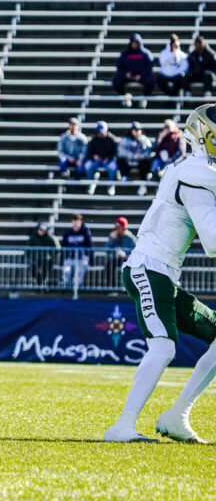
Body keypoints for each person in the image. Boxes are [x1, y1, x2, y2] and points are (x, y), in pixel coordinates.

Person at [104, 104, 216, 443]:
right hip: (148, 268)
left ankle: (176, 415)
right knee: (164, 347)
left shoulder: (194, 168)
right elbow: (212, 242)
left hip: (164, 275)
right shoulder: (196, 170)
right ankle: (121, 426)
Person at [113, 33, 155, 108]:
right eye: (133, 42)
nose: (134, 44)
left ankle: (144, 98)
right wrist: (126, 74)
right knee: (116, 80)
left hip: (141, 76)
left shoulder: (146, 53)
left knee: (151, 81)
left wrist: (141, 75)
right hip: (128, 76)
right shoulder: (125, 53)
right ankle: (125, 97)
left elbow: (149, 67)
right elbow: (119, 66)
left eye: (136, 42)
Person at [60, 214, 93, 290]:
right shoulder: (67, 233)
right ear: (72, 222)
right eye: (74, 221)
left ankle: (76, 289)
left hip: (81, 258)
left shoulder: (85, 233)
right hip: (70, 258)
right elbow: (63, 248)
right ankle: (65, 287)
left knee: (79, 272)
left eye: (78, 221)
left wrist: (91, 260)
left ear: (80, 222)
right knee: (66, 270)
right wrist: (63, 260)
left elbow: (90, 246)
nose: (76, 223)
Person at [26, 222, 60, 288]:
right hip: (35, 259)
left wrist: (52, 256)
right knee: (33, 269)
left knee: (45, 271)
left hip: (47, 259)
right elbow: (27, 248)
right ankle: (39, 283)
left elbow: (57, 249)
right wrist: (30, 257)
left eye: (44, 230)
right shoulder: (33, 238)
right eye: (40, 229)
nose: (42, 231)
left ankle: (42, 284)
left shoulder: (50, 238)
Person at [105, 216, 136, 280]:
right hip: (116, 258)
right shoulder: (113, 235)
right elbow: (107, 249)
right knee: (109, 264)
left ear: (123, 227)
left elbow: (134, 249)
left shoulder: (130, 237)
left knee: (127, 266)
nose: (117, 228)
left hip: (127, 259)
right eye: (116, 226)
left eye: (119, 227)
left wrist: (125, 254)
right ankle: (111, 286)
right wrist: (112, 240)